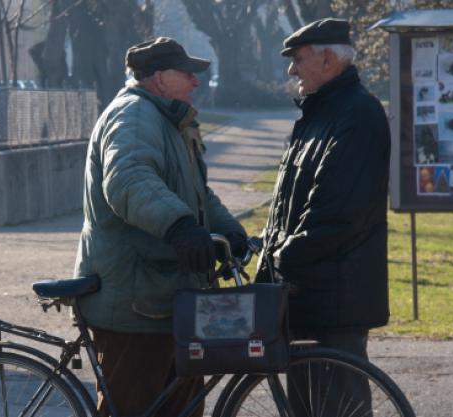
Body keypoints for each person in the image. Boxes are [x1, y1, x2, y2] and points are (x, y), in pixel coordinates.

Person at [73, 37, 247, 417]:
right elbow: (128, 181)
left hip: (165, 297)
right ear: (159, 78)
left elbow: (198, 194)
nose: (196, 82)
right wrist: (181, 227)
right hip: (135, 303)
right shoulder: (134, 115)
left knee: (179, 408)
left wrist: (231, 233)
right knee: (136, 408)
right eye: (187, 73)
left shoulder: (169, 120)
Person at [256, 18, 391, 414]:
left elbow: (336, 214)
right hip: (310, 293)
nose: (291, 70)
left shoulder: (357, 115)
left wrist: (280, 256)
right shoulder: (319, 114)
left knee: (335, 407)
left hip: (335, 298)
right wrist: (267, 249)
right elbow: (290, 204)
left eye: (298, 59)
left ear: (328, 59)